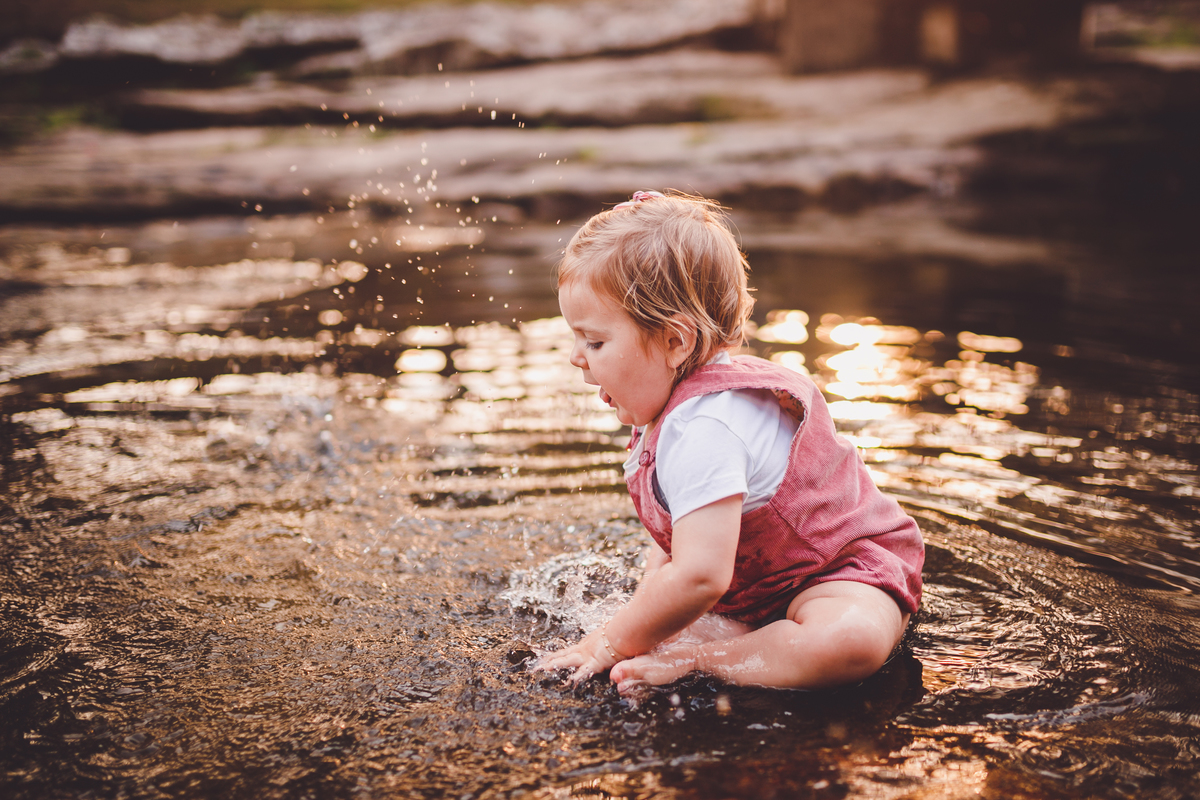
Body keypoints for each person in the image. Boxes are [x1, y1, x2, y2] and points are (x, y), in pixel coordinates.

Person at [536, 190, 924, 693]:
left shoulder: (708, 427)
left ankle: (706, 661)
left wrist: (607, 644)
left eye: (595, 341)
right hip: (753, 591)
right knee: (656, 622)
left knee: (848, 642)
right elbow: (677, 544)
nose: (576, 357)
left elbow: (699, 576)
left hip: (836, 571)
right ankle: (731, 642)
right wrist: (646, 607)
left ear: (676, 342)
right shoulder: (664, 404)